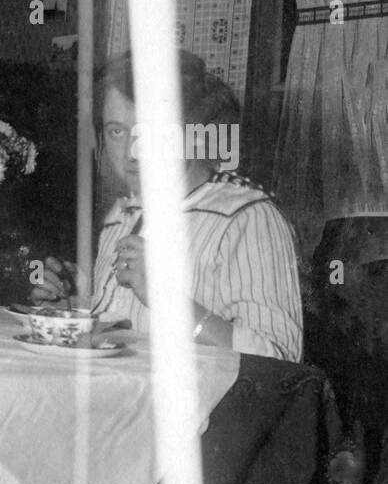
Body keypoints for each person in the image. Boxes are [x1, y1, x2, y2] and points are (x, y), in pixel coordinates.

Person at [31, 50, 302, 362]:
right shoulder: (124, 213)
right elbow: (126, 331)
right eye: (117, 131)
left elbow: (280, 363)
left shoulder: (247, 219)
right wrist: (69, 305)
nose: (131, 152)